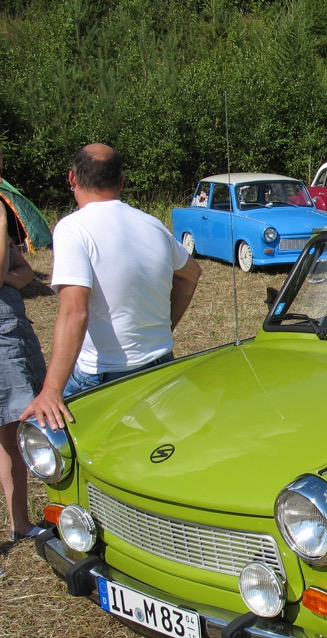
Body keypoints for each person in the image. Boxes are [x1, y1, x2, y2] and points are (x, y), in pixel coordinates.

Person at [20, 143, 202, 432]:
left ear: (72, 179)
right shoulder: (152, 224)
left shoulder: (72, 228)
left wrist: (51, 390)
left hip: (102, 374)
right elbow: (191, 274)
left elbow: (74, 312)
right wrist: (163, 327)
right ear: (121, 182)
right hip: (160, 363)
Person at [0, 149, 48, 540]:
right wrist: (1, 224)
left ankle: (19, 523)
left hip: (12, 333)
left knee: (13, 434)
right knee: (11, 432)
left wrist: (10, 278)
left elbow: (24, 270)